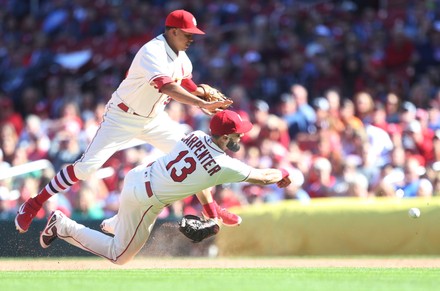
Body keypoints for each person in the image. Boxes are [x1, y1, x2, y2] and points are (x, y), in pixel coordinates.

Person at [15, 9, 235, 234]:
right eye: (188, 33)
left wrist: (200, 93)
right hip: (122, 117)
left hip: (154, 118)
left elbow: (184, 80)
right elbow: (167, 86)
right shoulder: (152, 51)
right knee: (86, 167)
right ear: (174, 31)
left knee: (195, 155)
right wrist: (200, 103)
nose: (191, 38)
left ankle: (212, 211)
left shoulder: (182, 58)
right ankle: (33, 203)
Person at [39, 110, 292, 265]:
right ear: (225, 137)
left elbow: (202, 179)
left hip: (137, 177)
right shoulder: (222, 164)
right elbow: (262, 177)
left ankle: (115, 223)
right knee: (120, 256)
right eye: (238, 134)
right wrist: (283, 172)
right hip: (146, 201)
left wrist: (211, 209)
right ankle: (62, 225)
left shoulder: (196, 135)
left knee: (125, 225)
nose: (242, 137)